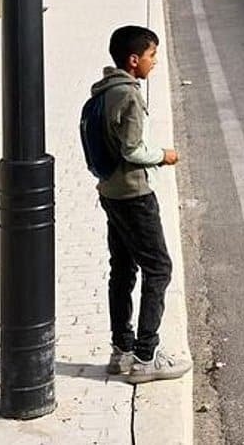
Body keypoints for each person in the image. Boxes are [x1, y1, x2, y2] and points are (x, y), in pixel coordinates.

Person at [91, 25, 191, 383]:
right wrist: (164, 155)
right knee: (159, 268)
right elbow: (133, 150)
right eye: (152, 56)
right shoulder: (130, 96)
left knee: (122, 269)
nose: (155, 62)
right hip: (134, 196)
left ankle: (121, 350)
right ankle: (146, 356)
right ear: (134, 60)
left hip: (110, 192)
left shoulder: (104, 91)